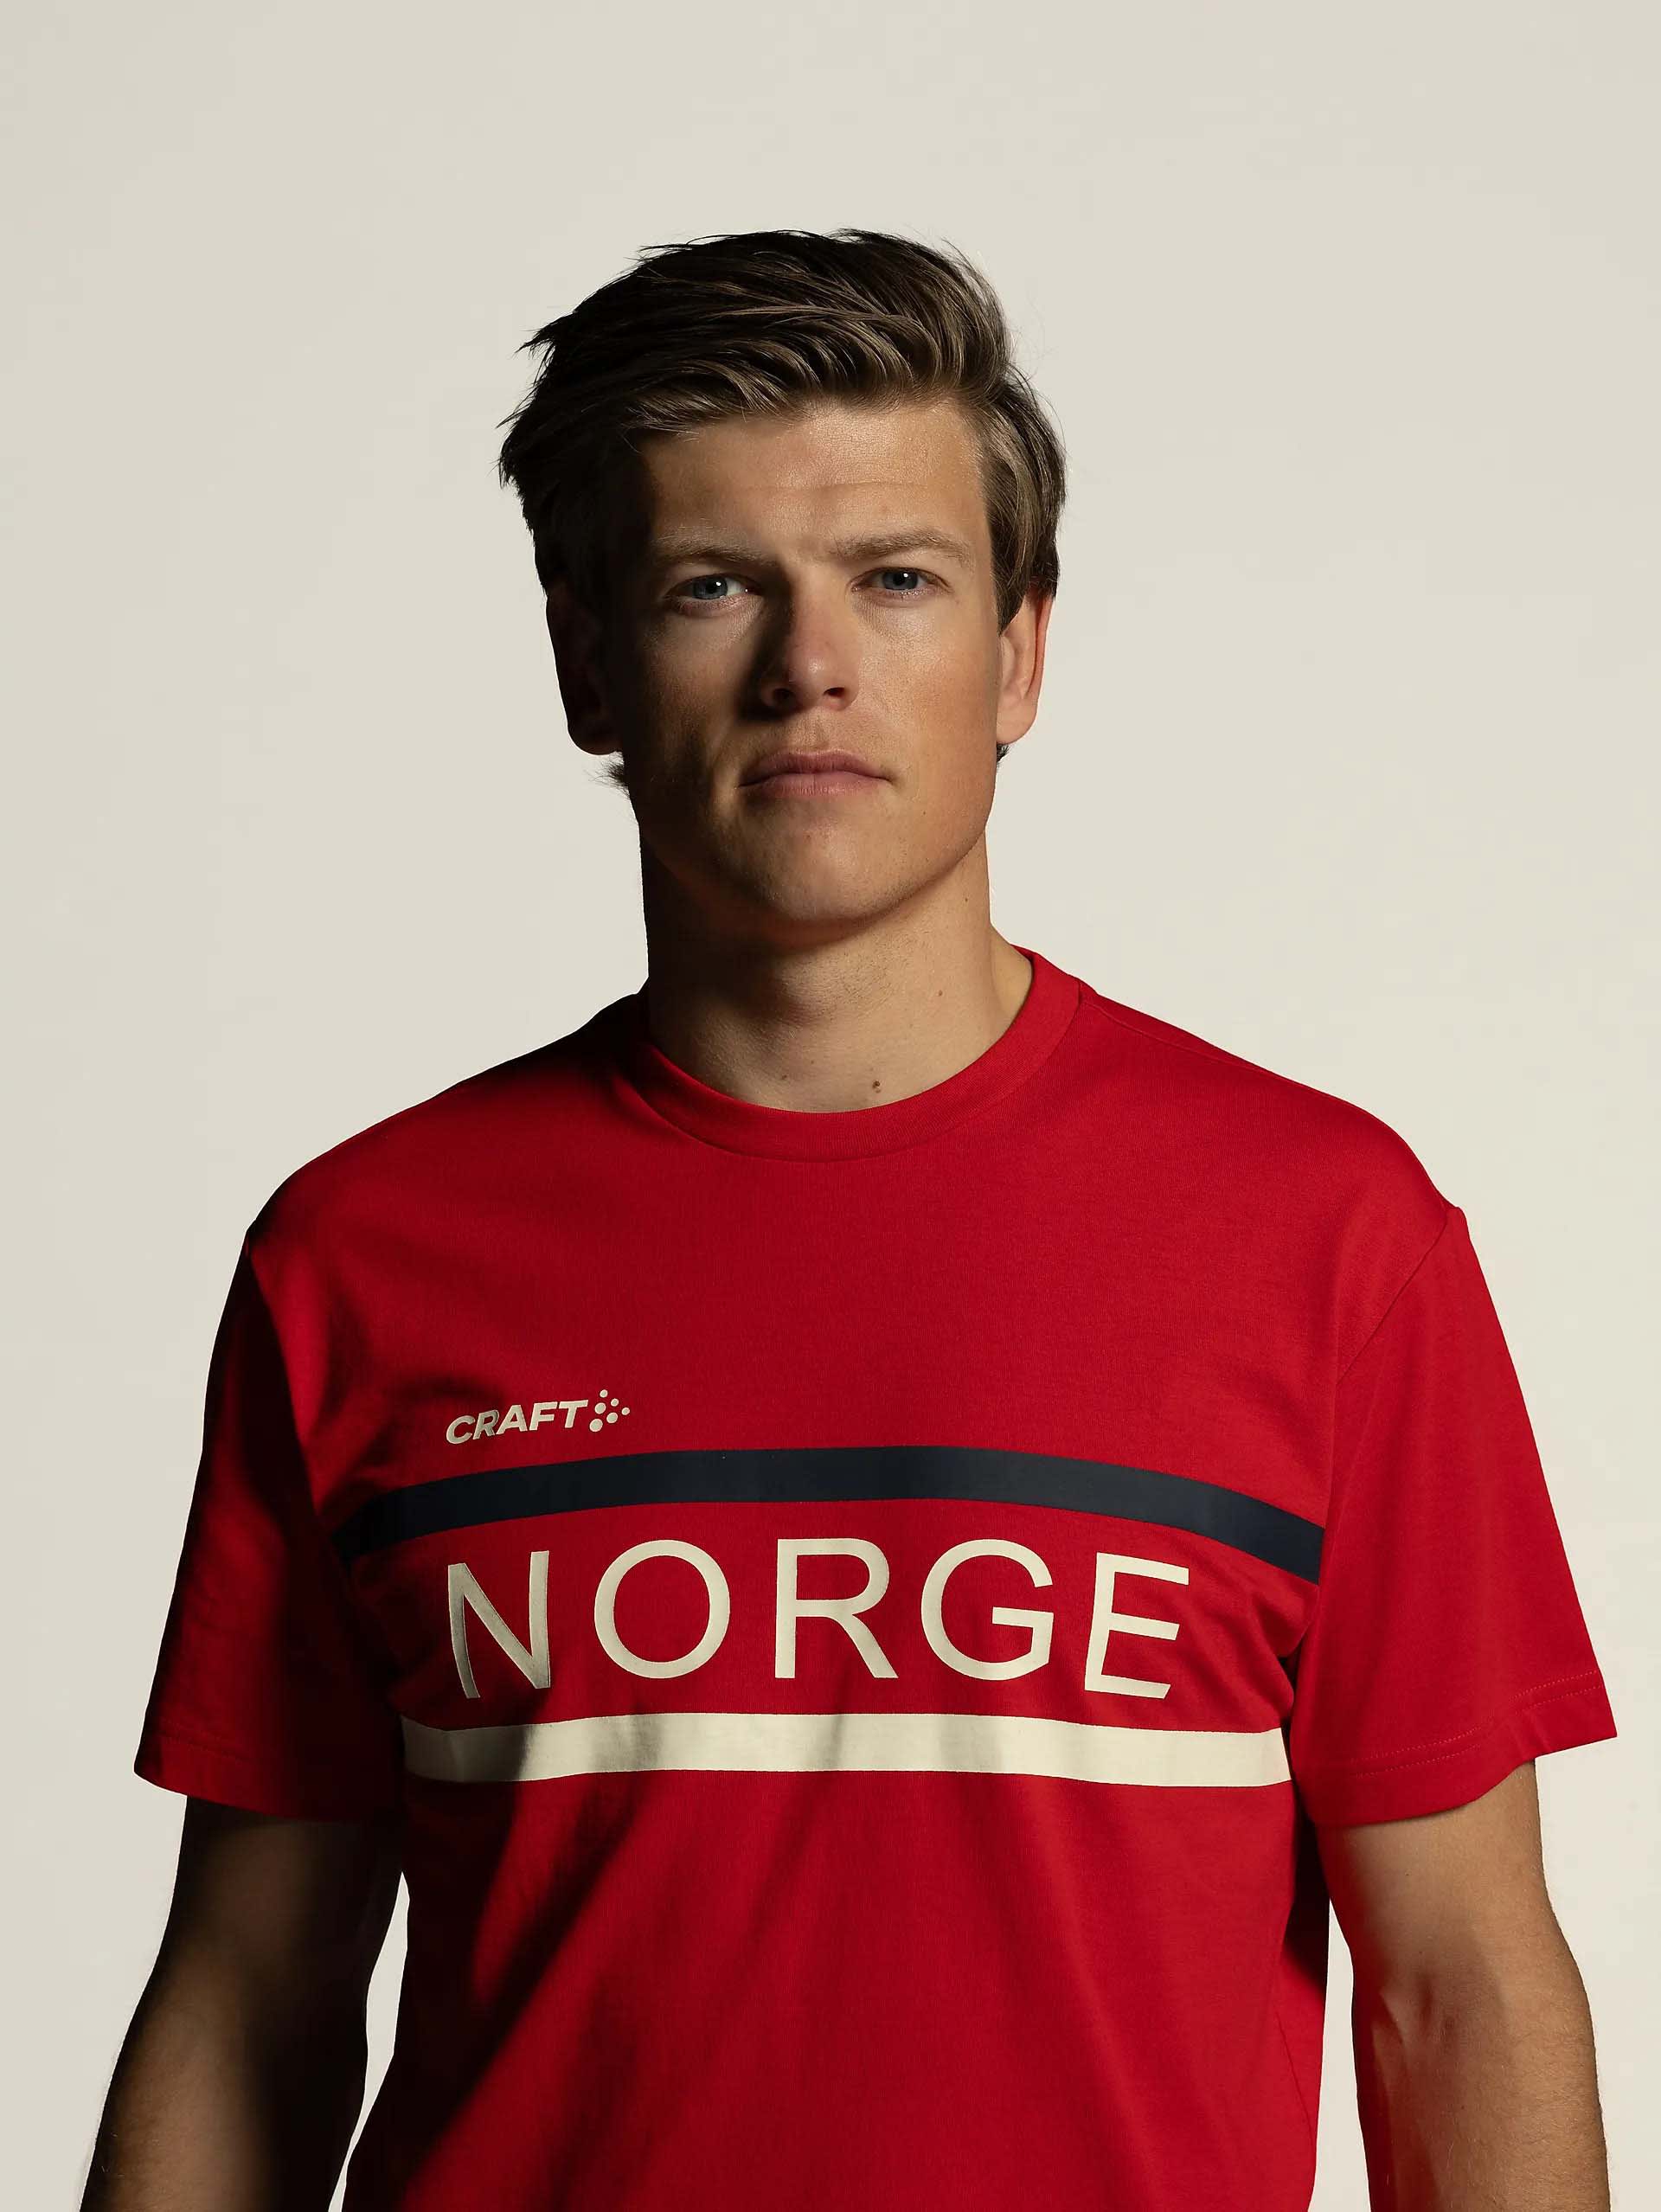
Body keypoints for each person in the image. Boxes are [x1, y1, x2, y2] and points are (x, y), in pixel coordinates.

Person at [85, 228, 1618, 2211]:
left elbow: (1460, 1988)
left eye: (898, 578)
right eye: (714, 584)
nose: (811, 664)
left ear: (1022, 653)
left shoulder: (1330, 1242)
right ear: (585, 662)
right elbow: (249, 2001)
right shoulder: (361, 1257)